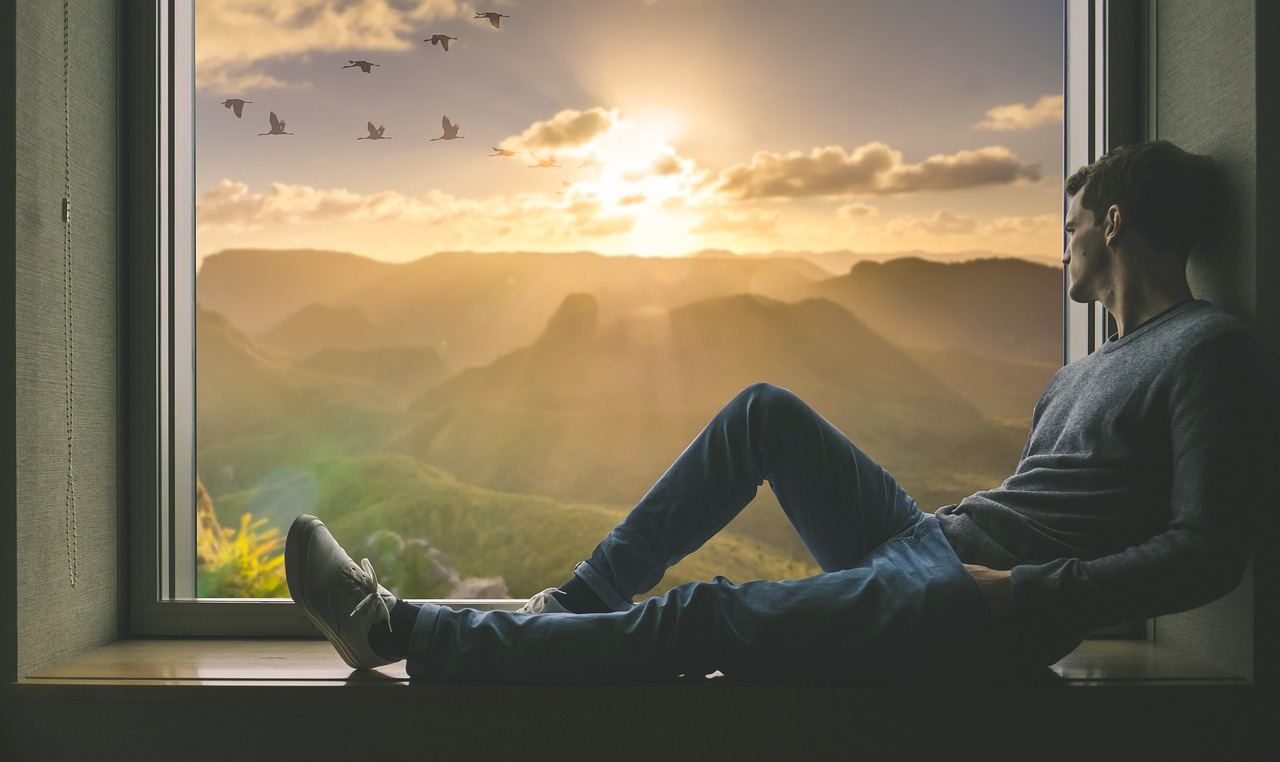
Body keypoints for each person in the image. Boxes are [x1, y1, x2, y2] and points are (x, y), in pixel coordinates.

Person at [285, 140, 1279, 683]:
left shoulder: (1206, 349)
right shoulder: (1075, 375)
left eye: (1069, 227)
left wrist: (1020, 595)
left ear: (1112, 223)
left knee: (705, 614)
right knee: (760, 411)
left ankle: (397, 633)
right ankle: (576, 603)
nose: (1061, 247)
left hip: (975, 608)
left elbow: (1207, 552)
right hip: (931, 550)